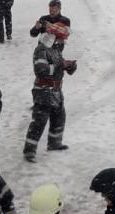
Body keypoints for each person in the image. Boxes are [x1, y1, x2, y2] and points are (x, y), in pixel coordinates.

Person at [23, 27, 77, 163]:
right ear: (53, 38)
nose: (63, 42)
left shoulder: (56, 50)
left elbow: (60, 66)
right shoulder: (41, 50)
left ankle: (54, 143)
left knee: (59, 117)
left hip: (56, 91)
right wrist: (60, 65)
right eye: (61, 39)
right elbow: (41, 70)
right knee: (39, 121)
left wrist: (70, 67)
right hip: (43, 90)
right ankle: (29, 150)